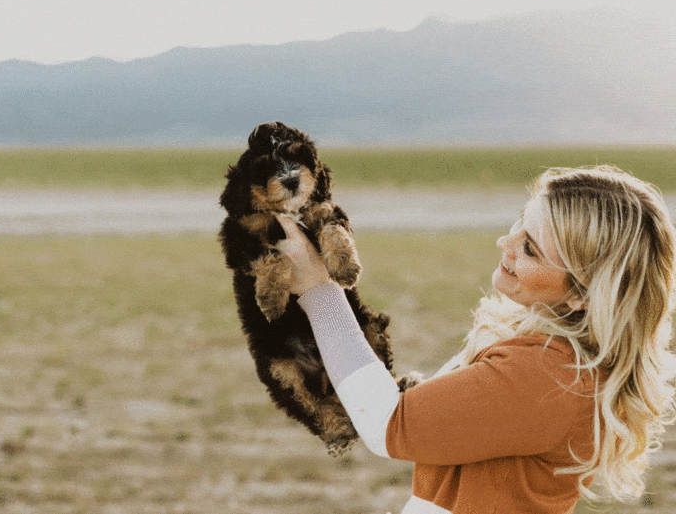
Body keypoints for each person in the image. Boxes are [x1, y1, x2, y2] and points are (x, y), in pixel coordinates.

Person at [275, 165, 676, 514]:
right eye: (520, 222)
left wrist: (318, 289)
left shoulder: (548, 375)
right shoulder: (559, 360)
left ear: (583, 295)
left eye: (530, 249)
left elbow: (389, 423)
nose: (506, 245)